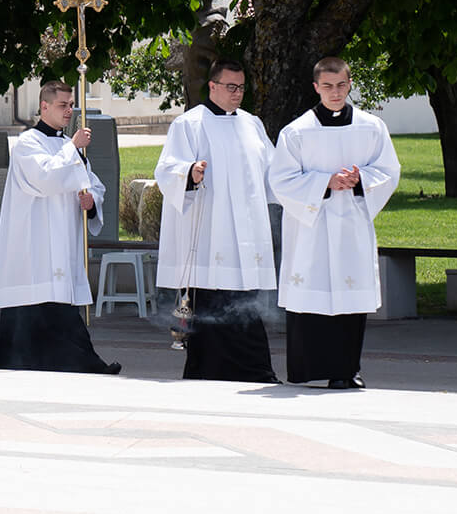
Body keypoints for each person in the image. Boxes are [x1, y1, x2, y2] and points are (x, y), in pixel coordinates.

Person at [269, 57, 401, 389]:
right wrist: (324, 183)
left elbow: (389, 171)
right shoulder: (297, 132)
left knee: (349, 296)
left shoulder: (371, 127)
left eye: (341, 85)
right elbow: (281, 180)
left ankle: (347, 371)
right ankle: (305, 369)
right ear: (316, 88)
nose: (335, 92)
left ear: (350, 84)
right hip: (311, 228)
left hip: (351, 226)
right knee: (309, 295)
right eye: (327, 86)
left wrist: (360, 180)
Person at [154, 60, 281, 383]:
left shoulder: (252, 125)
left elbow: (274, 172)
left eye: (241, 87)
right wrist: (190, 174)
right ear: (212, 86)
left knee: (245, 303)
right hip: (209, 234)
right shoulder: (189, 124)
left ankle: (256, 371)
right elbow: (167, 169)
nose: (237, 94)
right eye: (230, 87)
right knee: (210, 304)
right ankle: (203, 370)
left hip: (246, 233)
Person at [0, 82, 121, 374]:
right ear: (44, 107)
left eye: (71, 105)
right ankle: (20, 363)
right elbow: (44, 178)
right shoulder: (28, 142)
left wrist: (92, 200)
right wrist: (73, 148)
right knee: (32, 305)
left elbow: (93, 183)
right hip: (33, 241)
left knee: (61, 305)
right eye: (63, 105)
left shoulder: (68, 146)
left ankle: (80, 363)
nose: (69, 111)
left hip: (63, 240)